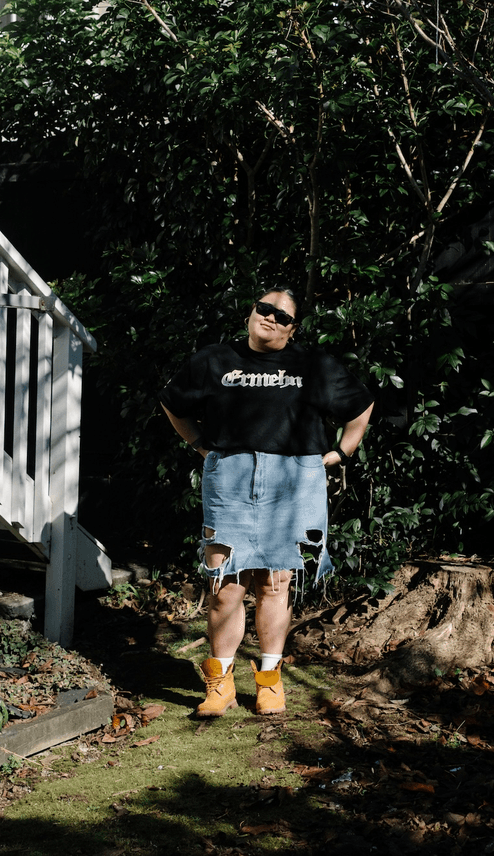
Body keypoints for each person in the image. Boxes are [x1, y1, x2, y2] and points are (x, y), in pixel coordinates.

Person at [159, 288, 374, 716]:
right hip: (231, 479)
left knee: (275, 584)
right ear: (250, 313)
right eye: (264, 309)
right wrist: (200, 444)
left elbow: (361, 406)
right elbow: (172, 403)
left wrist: (340, 452)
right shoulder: (213, 360)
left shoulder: (314, 365)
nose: (270, 318)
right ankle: (219, 686)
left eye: (282, 316)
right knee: (225, 587)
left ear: (293, 329)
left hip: (292, 482)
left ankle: (270, 682)